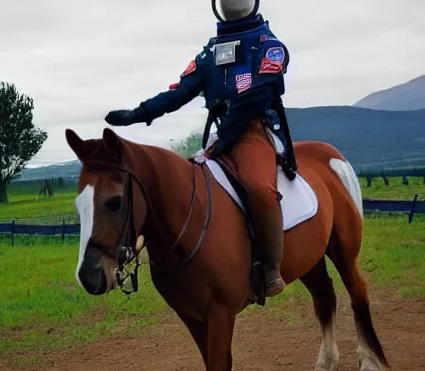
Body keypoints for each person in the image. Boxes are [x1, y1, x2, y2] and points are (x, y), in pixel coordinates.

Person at [105, 0, 296, 298]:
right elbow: (180, 92)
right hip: (221, 135)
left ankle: (271, 269)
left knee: (260, 189)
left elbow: (257, 95)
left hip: (253, 132)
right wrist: (139, 113)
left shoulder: (268, 45)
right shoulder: (210, 53)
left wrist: (225, 139)